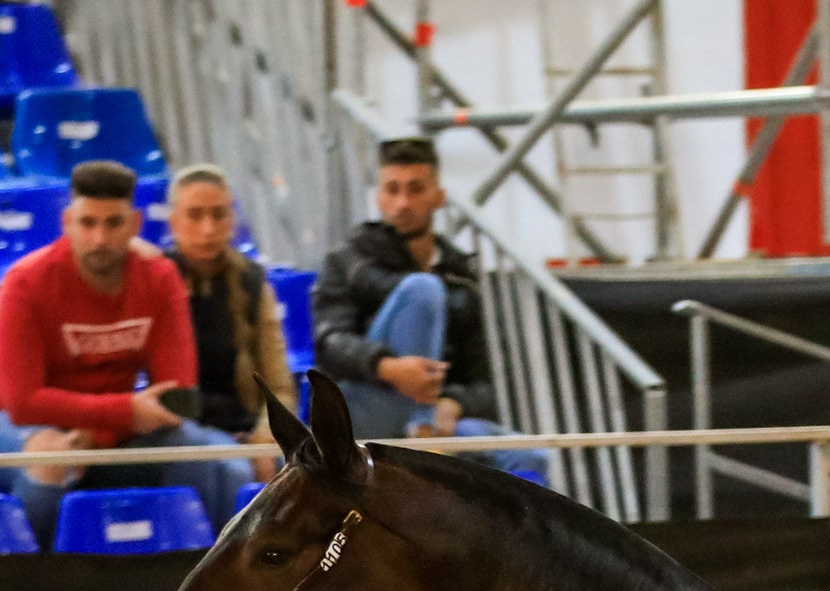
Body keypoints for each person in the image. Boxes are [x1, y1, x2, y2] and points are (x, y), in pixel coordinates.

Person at [0, 159, 250, 540]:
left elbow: (178, 397)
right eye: (87, 223)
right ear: (67, 223)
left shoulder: (160, 278)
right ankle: (29, 587)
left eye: (113, 224)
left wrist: (97, 435)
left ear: (134, 224)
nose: (99, 239)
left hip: (109, 430)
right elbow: (23, 402)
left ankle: (210, 579)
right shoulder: (25, 284)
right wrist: (124, 412)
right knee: (51, 461)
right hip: (1, 426)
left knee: (224, 464)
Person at [313, 135, 547, 480]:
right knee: (423, 290)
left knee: (531, 458)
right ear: (378, 197)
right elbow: (328, 343)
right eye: (392, 190)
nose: (402, 202)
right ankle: (423, 436)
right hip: (362, 410)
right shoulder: (345, 262)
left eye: (415, 189)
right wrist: (389, 367)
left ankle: (425, 434)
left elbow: (488, 384)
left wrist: (452, 403)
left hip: (436, 416)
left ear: (439, 197)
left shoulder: (462, 278)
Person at [162, 164, 293, 450]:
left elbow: (280, 387)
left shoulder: (252, 282)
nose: (208, 229)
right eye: (195, 215)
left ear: (232, 220)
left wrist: (265, 437)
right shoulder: (154, 279)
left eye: (219, 215)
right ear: (174, 222)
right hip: (178, 430)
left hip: (245, 426)